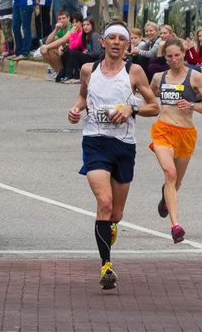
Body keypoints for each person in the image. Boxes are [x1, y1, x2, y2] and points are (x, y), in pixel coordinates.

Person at [67, 22, 159, 290]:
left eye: (122, 39)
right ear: (103, 43)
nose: (117, 42)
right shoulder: (89, 70)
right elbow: (82, 97)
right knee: (104, 203)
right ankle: (106, 265)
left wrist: (131, 110)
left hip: (124, 145)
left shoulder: (135, 72)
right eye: (112, 38)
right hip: (95, 142)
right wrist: (75, 110)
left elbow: (154, 106)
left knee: (115, 213)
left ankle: (110, 228)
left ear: (127, 45)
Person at [148, 38, 202, 244]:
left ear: (183, 54)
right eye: (169, 56)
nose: (173, 59)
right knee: (170, 173)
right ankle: (175, 226)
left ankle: (166, 197)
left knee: (176, 182)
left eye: (177, 55)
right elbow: (149, 99)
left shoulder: (194, 77)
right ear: (165, 57)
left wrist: (192, 106)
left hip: (185, 133)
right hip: (163, 130)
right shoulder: (159, 77)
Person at [59, 16, 103, 82]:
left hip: (95, 60)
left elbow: (96, 53)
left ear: (92, 26)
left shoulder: (95, 35)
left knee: (74, 53)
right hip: (89, 56)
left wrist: (86, 52)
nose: (85, 27)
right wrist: (73, 34)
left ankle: (74, 76)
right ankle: (66, 74)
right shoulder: (85, 35)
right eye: (84, 25)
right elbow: (72, 46)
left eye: (88, 24)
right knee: (68, 51)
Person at [39, 10, 73, 76]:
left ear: (68, 18)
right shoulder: (61, 29)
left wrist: (48, 47)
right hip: (64, 52)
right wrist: (56, 29)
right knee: (43, 50)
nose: (62, 21)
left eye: (64, 18)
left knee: (51, 49)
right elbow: (48, 42)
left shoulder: (71, 27)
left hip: (72, 52)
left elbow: (63, 40)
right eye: (59, 19)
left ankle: (61, 72)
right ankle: (57, 71)